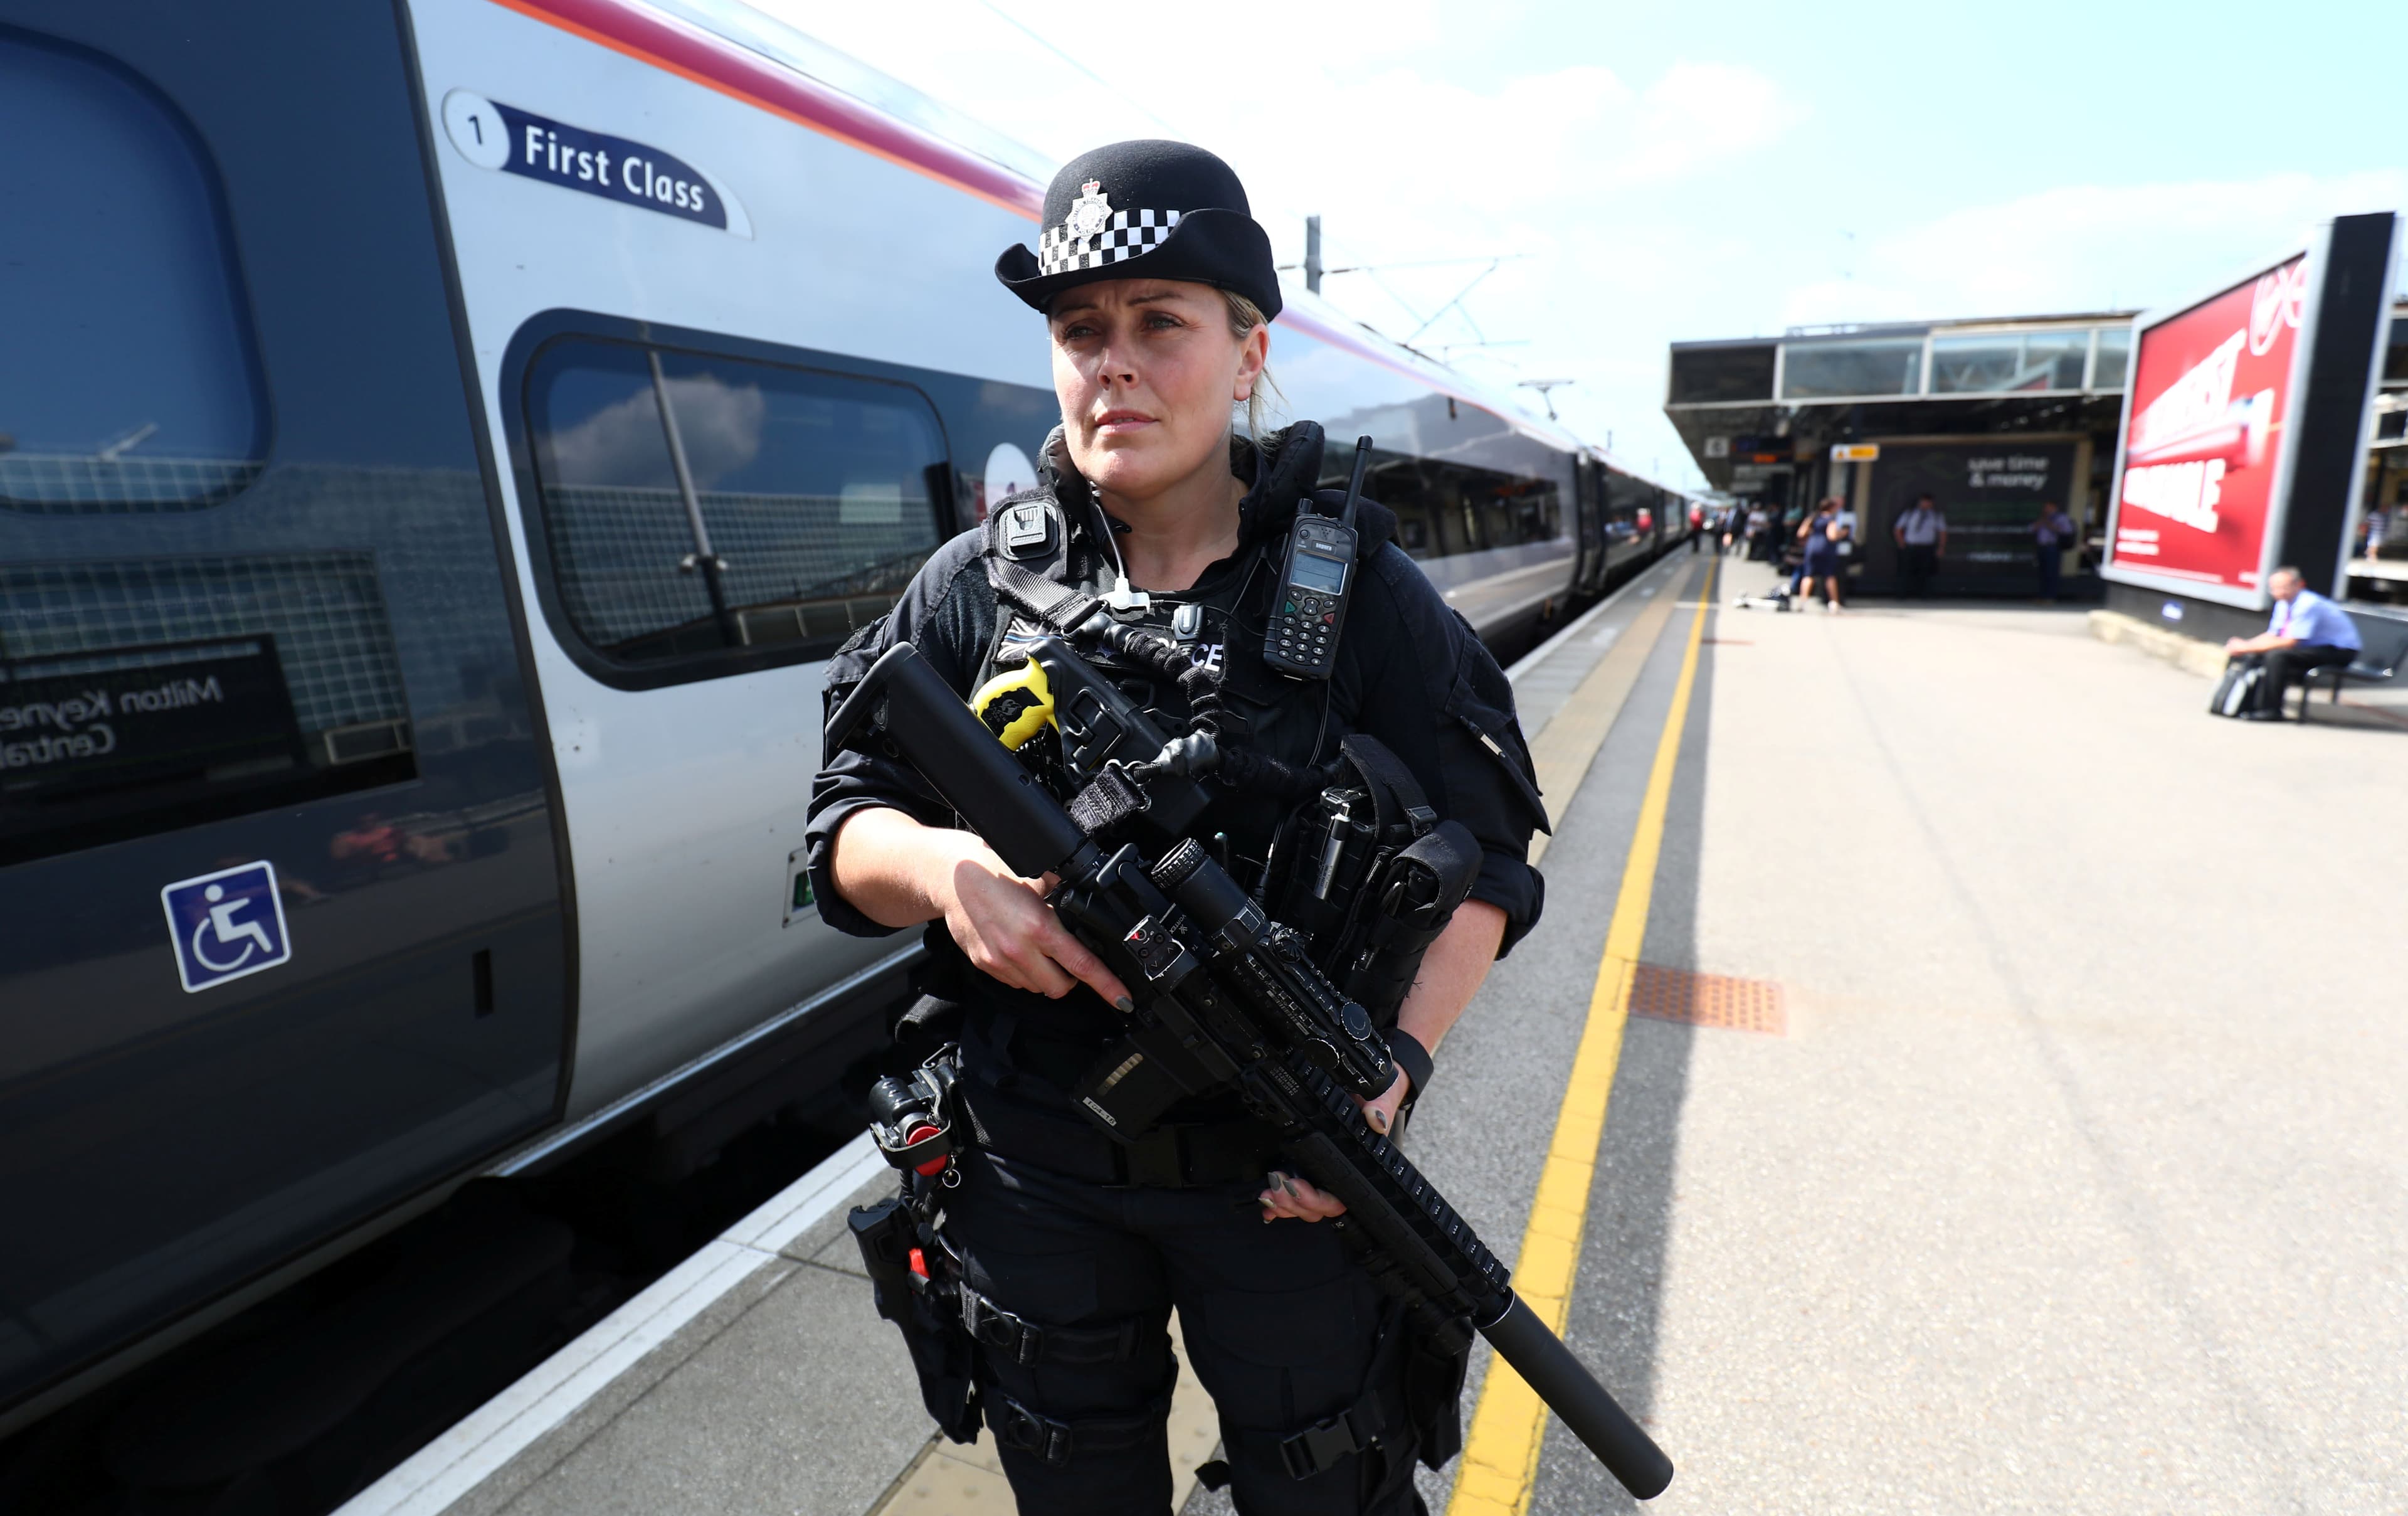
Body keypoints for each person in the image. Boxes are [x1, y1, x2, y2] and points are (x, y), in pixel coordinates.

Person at [806, 140, 1546, 1514]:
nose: (1116, 362)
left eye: (1163, 322)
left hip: (1286, 1168)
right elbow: (840, 829)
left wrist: (1388, 1074)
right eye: (1082, 330)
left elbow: (1490, 861)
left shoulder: (1358, 587)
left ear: (1249, 347)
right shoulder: (973, 586)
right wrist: (946, 868)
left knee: (1327, 1478)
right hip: (1027, 1163)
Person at [2221, 566, 2362, 720]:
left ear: (2299, 585)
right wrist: (2245, 646)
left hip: (2340, 651)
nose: (2279, 592)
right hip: (2312, 647)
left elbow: (2290, 642)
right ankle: (2245, 703)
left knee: (2277, 657)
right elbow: (2273, 635)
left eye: (2284, 587)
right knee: (2257, 655)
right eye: (2274, 588)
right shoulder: (2283, 603)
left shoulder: (2308, 604)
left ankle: (2272, 710)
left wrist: (2246, 647)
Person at [1893, 492, 1946, 598]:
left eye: (1928, 502)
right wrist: (1901, 543)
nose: (1926, 504)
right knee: (1906, 571)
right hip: (1911, 546)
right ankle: (1902, 594)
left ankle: (1924, 594)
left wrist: (1941, 547)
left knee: (1925, 572)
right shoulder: (1910, 513)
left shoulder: (1936, 515)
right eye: (1924, 501)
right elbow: (1898, 529)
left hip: (1927, 547)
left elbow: (1942, 532)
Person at [2033, 501, 2077, 601]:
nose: (2046, 509)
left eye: (2048, 507)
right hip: (2042, 547)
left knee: (2051, 572)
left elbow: (2067, 531)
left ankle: (2050, 596)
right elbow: (2031, 529)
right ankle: (2042, 596)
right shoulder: (2043, 518)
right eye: (2045, 507)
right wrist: (2040, 523)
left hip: (2052, 548)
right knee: (2043, 573)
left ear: (2054, 507)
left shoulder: (2061, 518)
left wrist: (2050, 525)